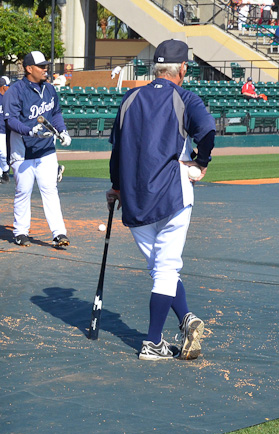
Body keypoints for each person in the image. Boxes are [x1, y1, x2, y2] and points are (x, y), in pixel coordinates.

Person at [106, 39, 214, 361]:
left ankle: (185, 318)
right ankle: (153, 343)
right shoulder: (184, 97)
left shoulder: (129, 98)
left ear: (155, 67)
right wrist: (201, 162)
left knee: (160, 267)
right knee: (166, 267)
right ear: (182, 69)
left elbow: (116, 151)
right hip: (172, 194)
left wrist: (116, 187)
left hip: (135, 198)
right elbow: (207, 131)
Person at [3, 51, 71, 248]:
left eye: (46, 65)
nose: (45, 69)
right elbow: (10, 120)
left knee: (50, 190)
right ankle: (20, 232)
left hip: (47, 149)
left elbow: (56, 113)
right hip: (22, 150)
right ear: (29, 68)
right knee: (23, 191)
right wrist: (29, 130)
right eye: (41, 66)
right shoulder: (15, 91)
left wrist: (63, 131)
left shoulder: (50, 89)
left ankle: (59, 233)